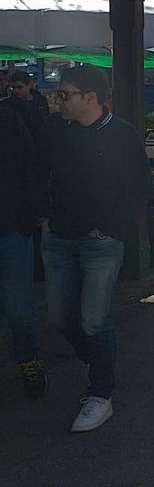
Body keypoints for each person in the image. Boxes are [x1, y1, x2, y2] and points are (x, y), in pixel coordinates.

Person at [35, 65, 151, 432]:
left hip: (100, 242)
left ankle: (101, 394)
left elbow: (141, 188)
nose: (59, 100)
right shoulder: (54, 129)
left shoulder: (122, 135)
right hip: (58, 238)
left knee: (94, 319)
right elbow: (37, 173)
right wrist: (44, 218)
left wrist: (111, 229)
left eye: (65, 94)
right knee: (59, 317)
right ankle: (95, 361)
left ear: (92, 97)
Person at [0, 104, 45, 398]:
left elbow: (32, 167)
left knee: (19, 310)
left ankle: (29, 362)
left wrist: (33, 217)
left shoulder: (8, 119)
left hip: (11, 227)